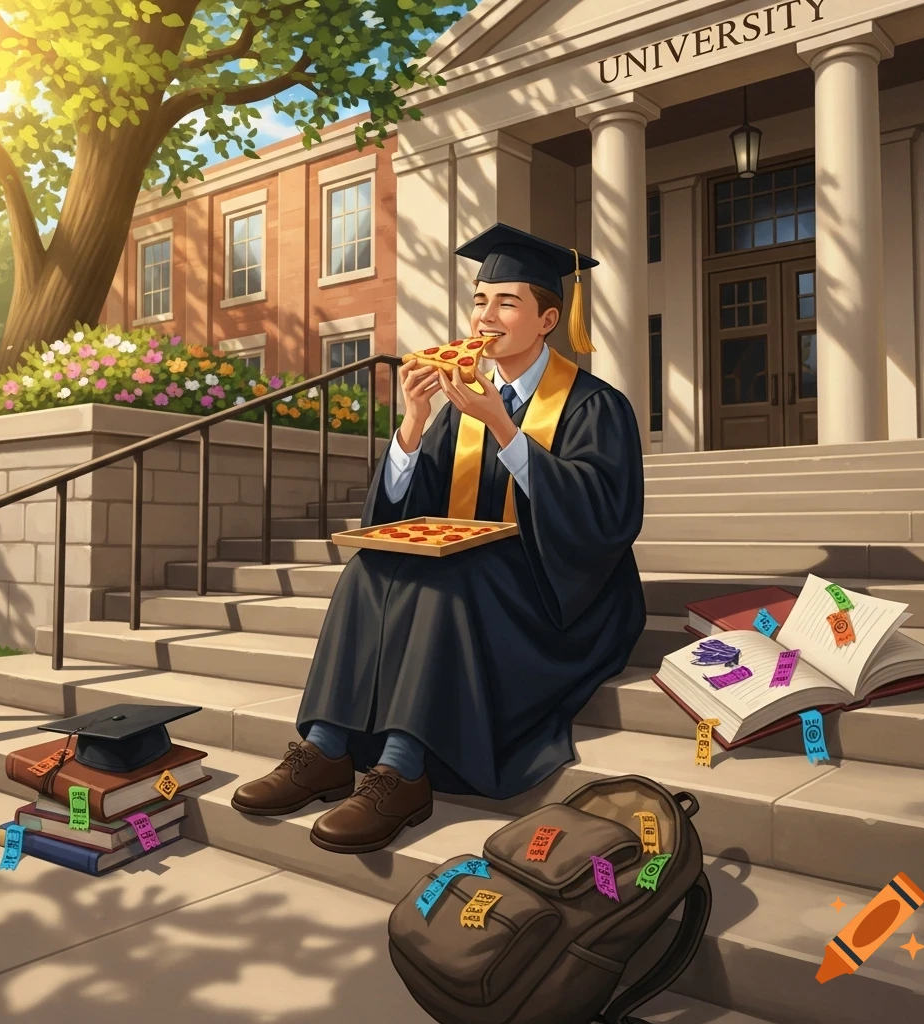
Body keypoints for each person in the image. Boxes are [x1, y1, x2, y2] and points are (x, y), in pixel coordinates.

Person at [231, 223, 646, 855]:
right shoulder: (459, 405)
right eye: (479, 301)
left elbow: (606, 517)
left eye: (506, 302)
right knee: (371, 567)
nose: (485, 317)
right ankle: (325, 748)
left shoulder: (593, 405)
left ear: (548, 320)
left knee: (452, 577)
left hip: (564, 594)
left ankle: (403, 768)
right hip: (480, 569)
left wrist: (505, 430)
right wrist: (412, 426)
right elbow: (409, 513)